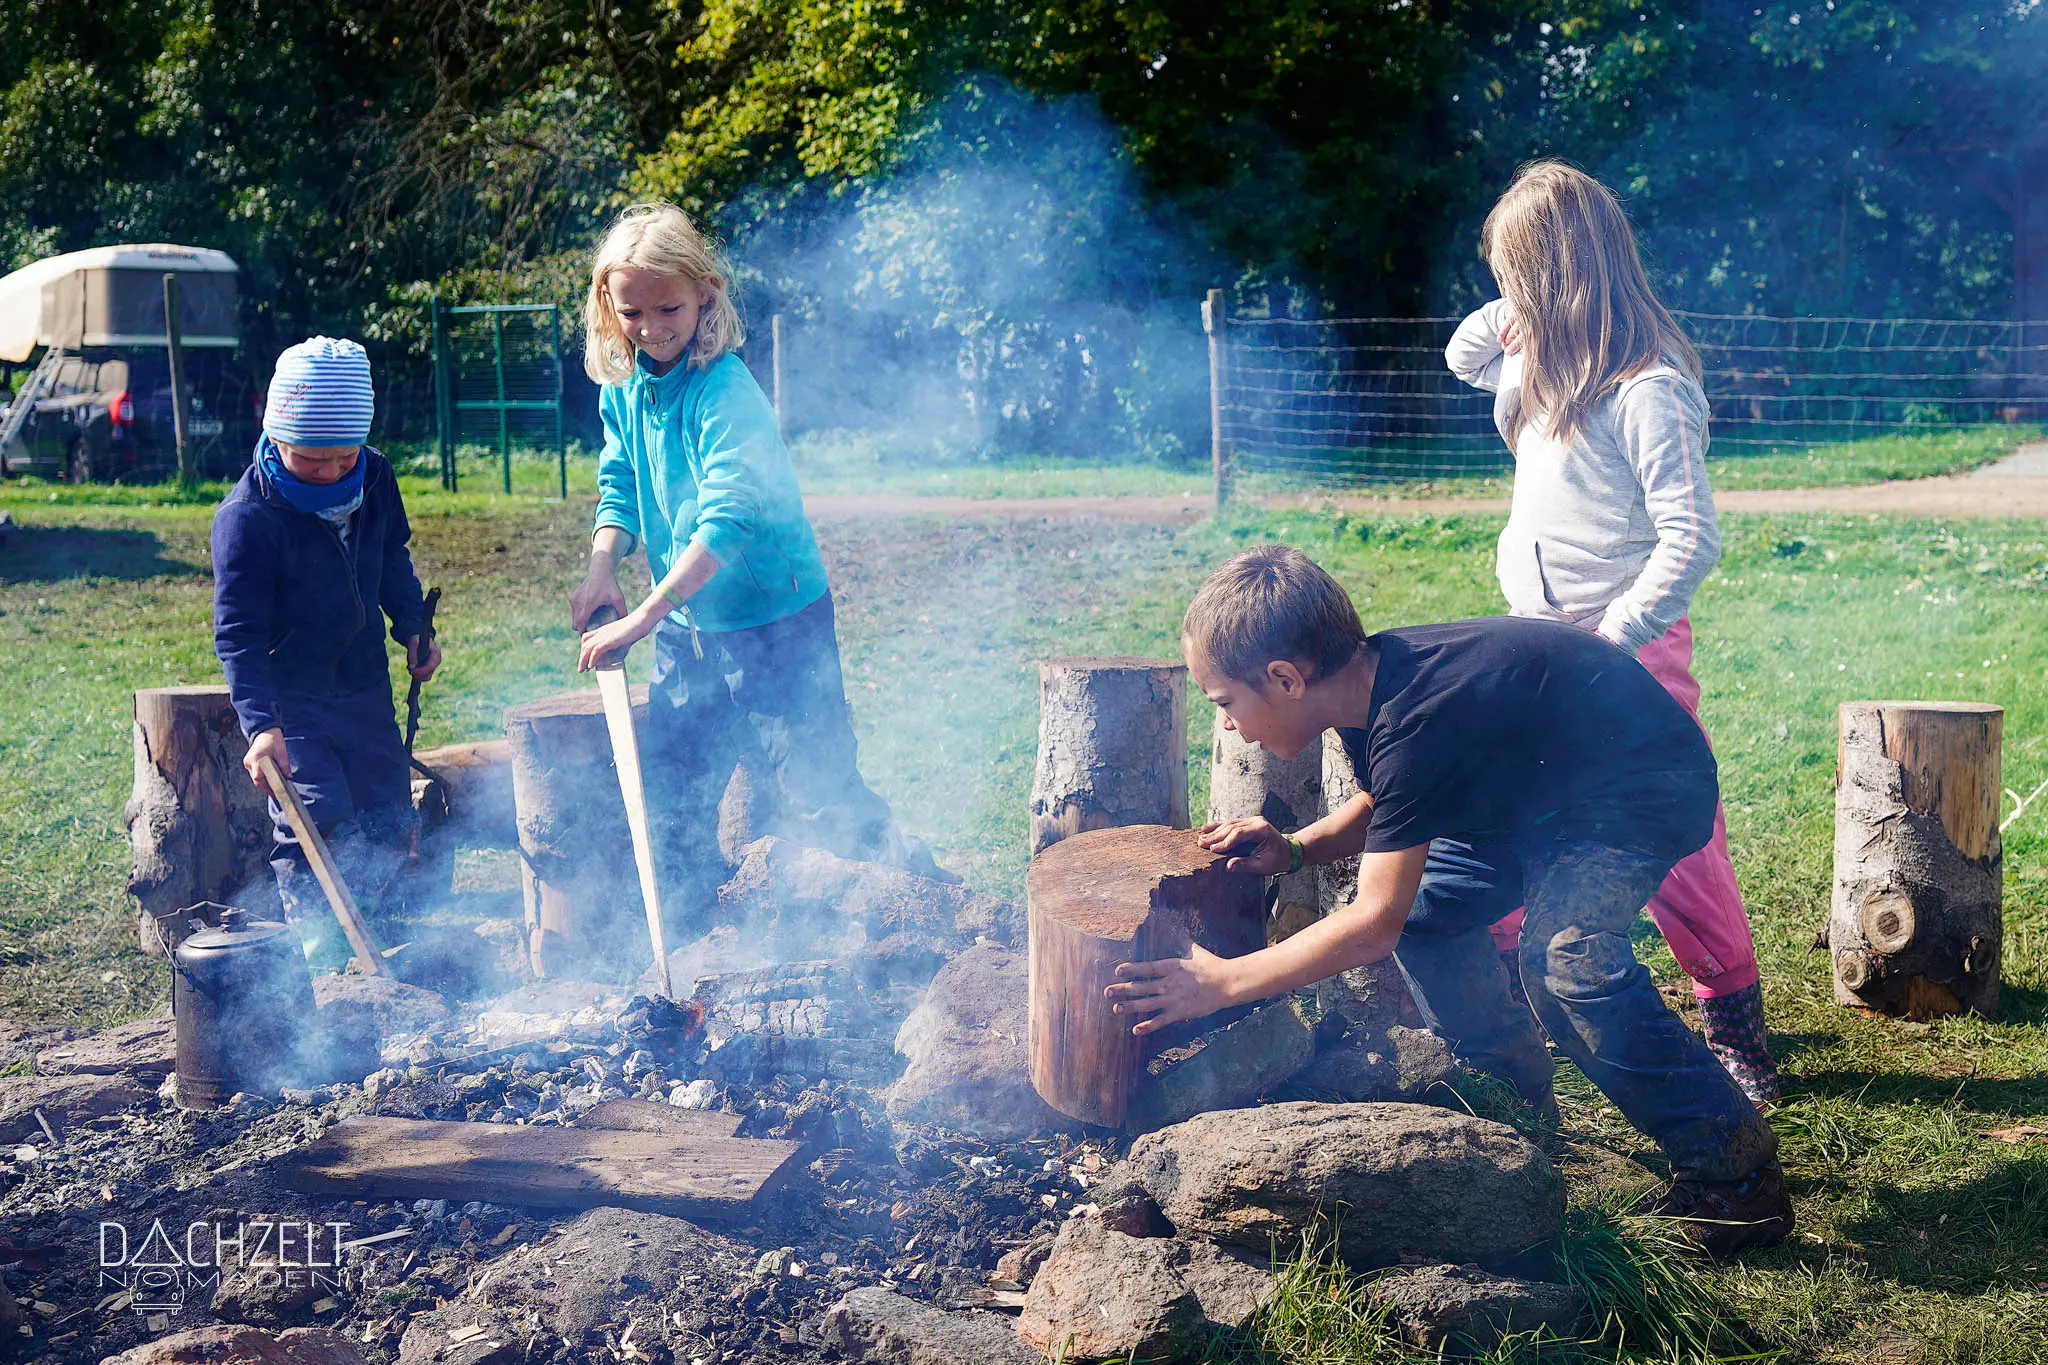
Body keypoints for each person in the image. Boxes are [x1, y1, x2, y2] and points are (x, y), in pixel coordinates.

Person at [1107, 546, 1792, 1258]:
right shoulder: (1365, 690)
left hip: (1638, 794)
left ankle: (1737, 1177)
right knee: (1430, 911)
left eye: (1224, 702)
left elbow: (1373, 924)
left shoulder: (1414, 717)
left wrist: (1223, 982)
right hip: (1535, 801)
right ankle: (1514, 1103)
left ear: (1285, 678)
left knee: (1567, 965)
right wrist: (1297, 848)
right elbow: (1389, 802)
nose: (1226, 725)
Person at [1442, 160, 1779, 1106]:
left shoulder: (1648, 387)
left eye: (1516, 276)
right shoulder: (1540, 366)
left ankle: (1733, 1021)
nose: (1506, 300)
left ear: (1559, 277)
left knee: (1673, 835)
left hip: (1626, 650)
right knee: (1517, 806)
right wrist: (1507, 312)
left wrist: (1615, 637)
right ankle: (1516, 1001)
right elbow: (1462, 356)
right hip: (1539, 642)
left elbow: (1690, 538)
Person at [569, 201, 945, 941]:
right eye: (633, 312)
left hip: (776, 622)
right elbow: (619, 480)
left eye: (669, 308)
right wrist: (602, 566)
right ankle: (686, 941)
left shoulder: (726, 390)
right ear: (608, 308)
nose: (652, 328)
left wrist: (641, 616)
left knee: (819, 789)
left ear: (705, 294)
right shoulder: (624, 389)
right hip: (688, 626)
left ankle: (919, 907)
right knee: (675, 790)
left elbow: (727, 522)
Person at [212, 337, 440, 939]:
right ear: (275, 434)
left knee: (387, 809)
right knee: (315, 817)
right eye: (312, 457)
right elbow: (237, 634)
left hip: (365, 684)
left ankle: (384, 938)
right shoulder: (248, 519)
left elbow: (391, 557)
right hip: (294, 698)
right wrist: (261, 726)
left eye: (344, 456)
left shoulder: (375, 476)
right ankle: (321, 951)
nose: (331, 471)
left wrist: (412, 625)